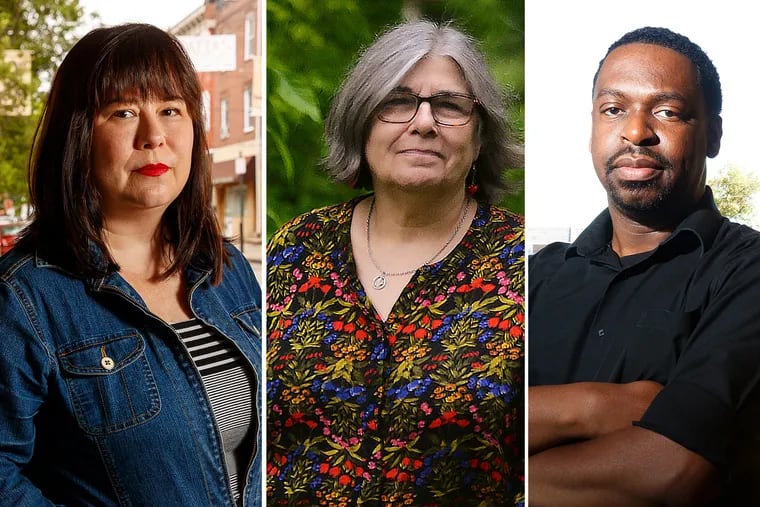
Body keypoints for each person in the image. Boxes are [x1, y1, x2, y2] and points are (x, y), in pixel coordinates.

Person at [0, 24, 262, 506]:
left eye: (170, 109)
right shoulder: (23, 300)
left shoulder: (230, 272)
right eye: (123, 112)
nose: (154, 136)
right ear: (78, 133)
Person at [266, 20, 524, 506]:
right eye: (397, 101)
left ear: (481, 135)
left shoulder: (524, 264)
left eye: (449, 105)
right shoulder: (295, 249)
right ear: (361, 120)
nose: (423, 122)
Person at [528, 26, 760, 506]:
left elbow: (670, 473)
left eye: (667, 112)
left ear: (713, 135)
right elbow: (436, 415)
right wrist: (590, 409)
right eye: (613, 110)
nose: (635, 132)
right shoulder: (534, 277)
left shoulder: (746, 273)